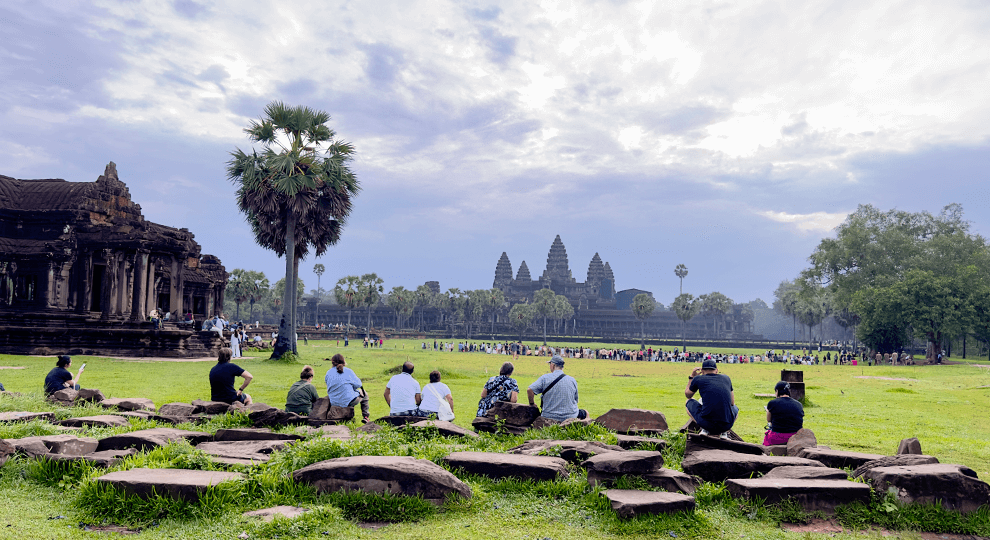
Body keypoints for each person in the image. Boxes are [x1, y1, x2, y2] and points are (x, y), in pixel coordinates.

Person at [685, 359, 738, 439]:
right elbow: (732, 403)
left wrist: (691, 377)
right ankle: (724, 432)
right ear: (716, 371)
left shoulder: (698, 379)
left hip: (707, 424)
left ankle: (704, 429)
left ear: (702, 371)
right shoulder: (726, 378)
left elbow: (688, 395)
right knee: (735, 408)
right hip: (726, 425)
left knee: (688, 402)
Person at [527, 355, 580, 422]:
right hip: (570, 416)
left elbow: (530, 390)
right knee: (585, 413)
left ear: (553, 365)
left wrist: (532, 403)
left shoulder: (545, 378)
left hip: (549, 416)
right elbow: (575, 400)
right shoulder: (572, 380)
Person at [325, 353, 370, 422]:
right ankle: (366, 416)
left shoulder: (328, 373)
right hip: (348, 401)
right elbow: (359, 384)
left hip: (334, 401)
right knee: (364, 394)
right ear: (343, 361)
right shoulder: (348, 371)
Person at [762, 381, 804, 445]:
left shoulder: (772, 403)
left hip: (777, 437)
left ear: (777, 391)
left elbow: (769, 420)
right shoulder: (799, 404)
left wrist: (768, 411)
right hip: (795, 437)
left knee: (768, 433)